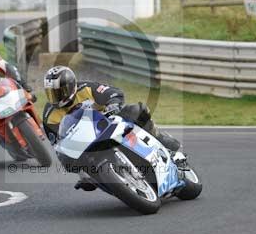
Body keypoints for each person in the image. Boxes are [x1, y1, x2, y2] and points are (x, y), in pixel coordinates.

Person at [42, 66, 182, 190]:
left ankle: (160, 138)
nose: (56, 97)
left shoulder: (86, 88)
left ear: (71, 86)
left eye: (60, 92)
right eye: (51, 93)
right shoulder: (50, 116)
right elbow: (58, 144)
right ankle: (91, 176)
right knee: (68, 160)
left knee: (136, 110)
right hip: (86, 142)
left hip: (108, 122)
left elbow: (114, 93)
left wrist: (113, 104)